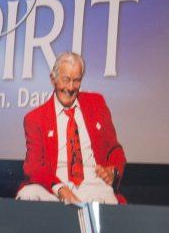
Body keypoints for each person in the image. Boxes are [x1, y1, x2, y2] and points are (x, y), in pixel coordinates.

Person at [16, 52, 126, 204]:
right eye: (66, 80)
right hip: (53, 188)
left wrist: (113, 171)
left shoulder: (97, 104)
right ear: (52, 79)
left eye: (76, 81)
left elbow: (115, 149)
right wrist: (60, 188)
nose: (70, 87)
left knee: (109, 202)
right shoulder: (35, 118)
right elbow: (33, 167)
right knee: (28, 193)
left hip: (92, 185)